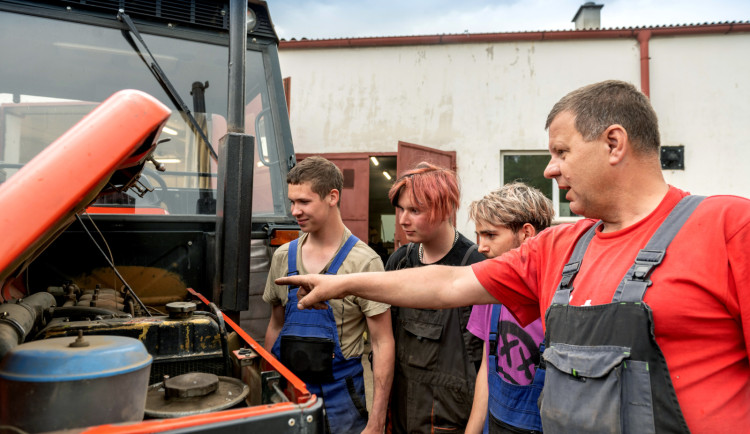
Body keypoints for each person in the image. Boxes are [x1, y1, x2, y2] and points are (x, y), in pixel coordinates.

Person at [277, 80, 750, 433]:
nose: (550, 168)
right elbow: (449, 284)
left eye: (561, 151)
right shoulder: (561, 248)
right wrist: (346, 283)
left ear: (613, 143)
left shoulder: (728, 228)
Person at [263, 156, 395, 434]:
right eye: (292, 202)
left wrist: (377, 421)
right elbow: (275, 325)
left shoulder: (364, 263)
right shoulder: (283, 256)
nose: (294, 211)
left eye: (304, 202)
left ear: (332, 196)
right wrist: (267, 386)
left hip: (342, 397)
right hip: (290, 391)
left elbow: (382, 343)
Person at [384, 162, 485, 433]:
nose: (403, 220)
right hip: (403, 409)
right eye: (401, 209)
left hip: (452, 418)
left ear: (445, 209)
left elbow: (487, 361)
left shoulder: (475, 264)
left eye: (415, 210)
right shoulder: (400, 262)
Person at [464, 183, 554, 434]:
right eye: (478, 235)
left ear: (526, 233)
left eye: (490, 235)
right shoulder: (489, 293)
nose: (481, 246)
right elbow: (486, 369)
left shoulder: (560, 295)